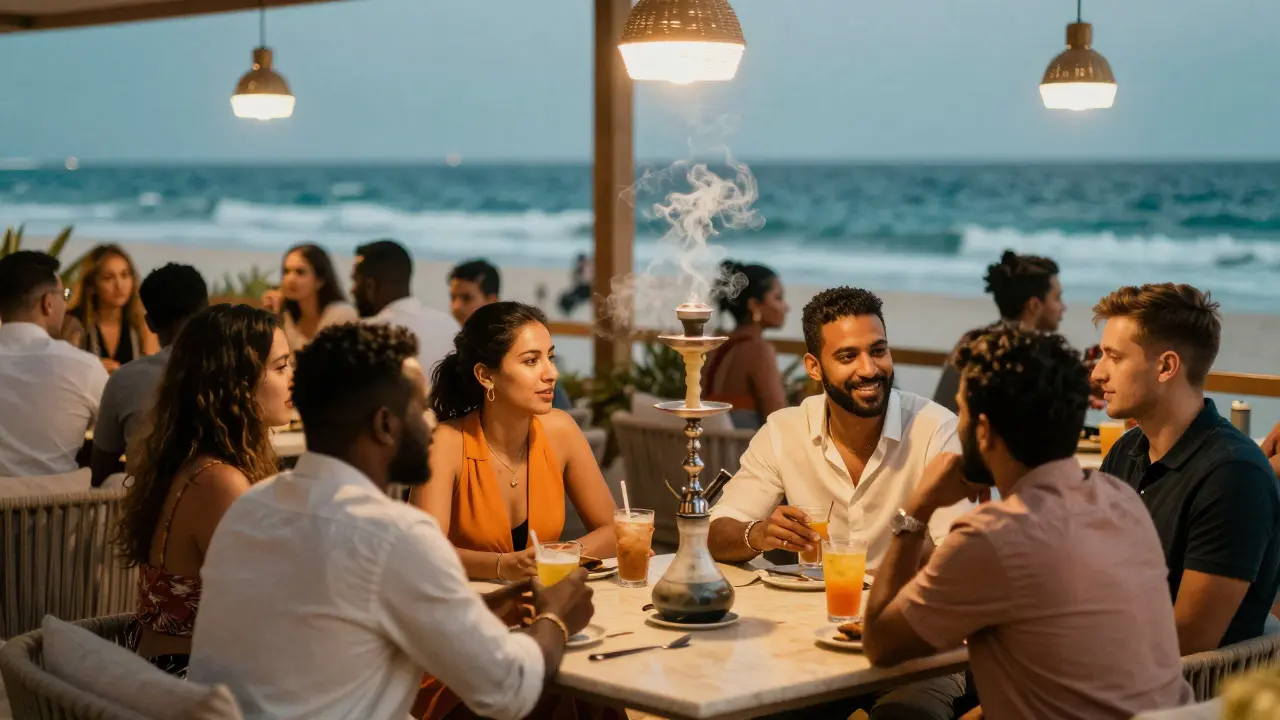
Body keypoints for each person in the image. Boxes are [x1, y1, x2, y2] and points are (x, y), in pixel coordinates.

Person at [189, 323, 596, 720]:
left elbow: (348, 620)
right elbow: (508, 690)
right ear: (386, 425)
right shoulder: (391, 534)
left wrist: (492, 604)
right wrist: (556, 617)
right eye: (420, 408)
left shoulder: (252, 507)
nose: (432, 423)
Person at [862, 326, 1194, 720]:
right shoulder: (1120, 500)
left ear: (983, 431)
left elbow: (881, 645)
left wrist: (917, 509)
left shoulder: (992, 536)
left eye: (962, 411)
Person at [707, 286, 972, 719]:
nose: (870, 369)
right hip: (807, 638)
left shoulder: (935, 430)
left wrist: (916, 534)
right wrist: (758, 534)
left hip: (914, 643)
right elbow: (719, 532)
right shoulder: (785, 430)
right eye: (848, 356)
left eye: (879, 351)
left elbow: (960, 561)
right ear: (814, 366)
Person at [1093, 283, 1280, 654]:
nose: (1097, 373)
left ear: (1166, 367)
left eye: (1114, 358)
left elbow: (1187, 641)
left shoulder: (1233, 477)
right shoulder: (1128, 449)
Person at [112, 304, 291, 675]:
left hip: (162, 670)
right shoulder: (219, 481)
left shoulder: (193, 464)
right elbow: (267, 607)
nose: (293, 378)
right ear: (237, 382)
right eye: (281, 366)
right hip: (186, 685)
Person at [411, 301, 618, 580]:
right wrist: (502, 564)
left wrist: (562, 555)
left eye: (550, 357)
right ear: (486, 376)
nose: (551, 373)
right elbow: (423, 554)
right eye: (531, 361)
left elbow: (615, 529)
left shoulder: (561, 430)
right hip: (464, 606)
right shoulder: (444, 444)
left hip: (543, 603)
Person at [90, 263, 209, 487]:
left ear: (150, 324)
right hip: (226, 509)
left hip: (152, 511)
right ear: (208, 312)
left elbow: (101, 471)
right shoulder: (236, 368)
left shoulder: (125, 379)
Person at [0, 251, 108, 477]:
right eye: (64, 295)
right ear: (47, 302)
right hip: (56, 509)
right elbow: (117, 433)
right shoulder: (83, 367)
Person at [932, 250, 1064, 413]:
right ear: (1034, 305)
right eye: (1057, 298)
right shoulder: (1022, 354)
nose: (1063, 307)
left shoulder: (972, 341)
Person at [447, 258, 574, 411]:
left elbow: (561, 412)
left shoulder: (515, 343)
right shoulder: (449, 341)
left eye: (466, 298)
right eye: (453, 297)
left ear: (491, 300)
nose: (456, 307)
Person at [351, 239, 457, 379]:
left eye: (355, 281)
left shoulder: (366, 334)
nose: (352, 290)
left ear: (370, 286)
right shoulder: (448, 324)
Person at [703, 260, 790, 428]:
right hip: (743, 449)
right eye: (778, 298)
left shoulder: (715, 348)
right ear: (754, 305)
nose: (786, 307)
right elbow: (777, 419)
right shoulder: (759, 350)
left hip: (710, 448)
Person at [62, 243, 160, 373]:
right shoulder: (73, 323)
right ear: (92, 284)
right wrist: (92, 368)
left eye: (125, 275)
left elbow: (153, 374)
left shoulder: (142, 325)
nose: (119, 285)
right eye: (108, 278)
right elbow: (63, 371)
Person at [261, 243, 357, 350]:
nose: (290, 279)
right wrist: (271, 316)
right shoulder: (286, 315)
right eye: (286, 271)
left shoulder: (341, 314)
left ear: (320, 280)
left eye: (300, 272)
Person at [448, 258, 500, 325]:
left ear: (492, 301)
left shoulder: (509, 334)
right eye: (453, 297)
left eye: (467, 298)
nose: (457, 306)